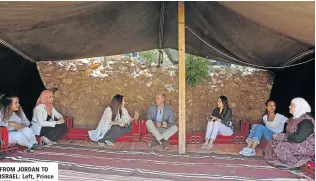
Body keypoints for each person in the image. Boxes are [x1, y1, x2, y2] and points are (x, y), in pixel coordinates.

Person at [264, 97, 315, 169]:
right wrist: (279, 136)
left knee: (282, 147)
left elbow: (299, 138)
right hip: (295, 141)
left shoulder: (306, 121)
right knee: (273, 143)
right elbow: (288, 132)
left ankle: (295, 162)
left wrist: (282, 137)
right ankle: (284, 159)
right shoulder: (294, 119)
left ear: (299, 107)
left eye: (292, 105)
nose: (289, 106)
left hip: (306, 145)